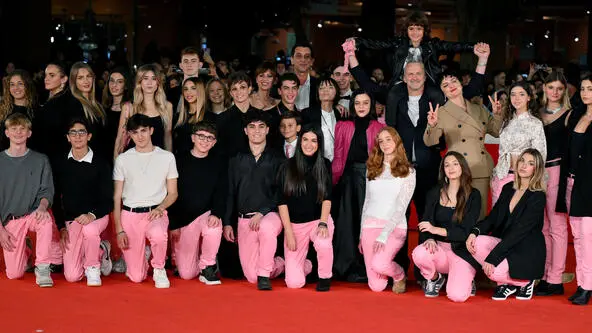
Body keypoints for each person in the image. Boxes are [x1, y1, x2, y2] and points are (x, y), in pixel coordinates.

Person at [424, 44, 502, 218]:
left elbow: (496, 132)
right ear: (442, 91)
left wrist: (497, 114)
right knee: (458, 215)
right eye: (445, 85)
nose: (451, 86)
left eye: (454, 81)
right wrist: (433, 124)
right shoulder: (441, 112)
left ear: (461, 83)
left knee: (479, 216)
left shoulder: (478, 108)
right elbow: (430, 141)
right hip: (456, 171)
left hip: (481, 168)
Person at [466, 148, 546, 301]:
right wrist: (474, 231)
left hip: (526, 250)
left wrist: (493, 257)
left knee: (492, 271)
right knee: (475, 242)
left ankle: (524, 282)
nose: (523, 165)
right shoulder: (508, 188)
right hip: (507, 244)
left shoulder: (538, 196)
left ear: (536, 169)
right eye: (522, 160)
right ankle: (507, 283)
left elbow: (520, 232)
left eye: (530, 163)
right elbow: (492, 218)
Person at [113, 113, 178, 288]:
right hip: (130, 214)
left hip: (155, 212)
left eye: (143, 131)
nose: (139, 136)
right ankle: (142, 256)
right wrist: (119, 230)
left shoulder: (167, 157)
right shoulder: (123, 160)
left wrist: (161, 207)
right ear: (129, 135)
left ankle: (158, 268)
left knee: (158, 234)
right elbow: (117, 196)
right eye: (134, 132)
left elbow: (173, 193)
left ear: (151, 131)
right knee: (136, 277)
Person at [223, 109, 285, 290]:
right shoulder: (236, 159)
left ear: (267, 130)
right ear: (245, 131)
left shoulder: (277, 158)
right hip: (244, 218)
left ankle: (265, 275)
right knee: (251, 276)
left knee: (266, 227)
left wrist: (263, 212)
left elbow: (281, 192)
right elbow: (230, 192)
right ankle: (283, 263)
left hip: (270, 215)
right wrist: (227, 222)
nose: (256, 131)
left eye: (261, 127)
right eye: (252, 127)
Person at [412, 152, 481, 301]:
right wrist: (429, 238)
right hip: (440, 249)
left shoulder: (474, 195)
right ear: (442, 169)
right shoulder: (434, 192)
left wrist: (435, 230)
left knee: (457, 296)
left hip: (461, 251)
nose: (451, 168)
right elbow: (425, 222)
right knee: (419, 253)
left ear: (463, 167)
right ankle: (435, 278)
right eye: (447, 165)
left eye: (455, 164)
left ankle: (467, 278)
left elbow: (465, 232)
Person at [0, 113, 59, 287]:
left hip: (33, 213)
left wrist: (42, 207)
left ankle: (42, 267)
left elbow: (47, 190)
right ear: (7, 133)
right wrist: (1, 230)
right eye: (14, 129)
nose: (18, 132)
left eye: (22, 129)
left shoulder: (40, 160)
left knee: (45, 220)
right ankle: (25, 249)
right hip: (10, 220)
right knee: (14, 274)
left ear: (29, 133)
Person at [332, 89, 385, 281]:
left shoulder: (379, 127)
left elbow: (381, 157)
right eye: (358, 103)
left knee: (368, 223)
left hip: (371, 179)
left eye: (365, 103)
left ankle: (367, 266)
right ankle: (346, 266)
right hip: (347, 179)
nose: (361, 107)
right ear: (352, 105)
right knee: (347, 222)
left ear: (371, 106)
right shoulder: (342, 126)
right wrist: (334, 180)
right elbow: (338, 156)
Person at [55, 119, 113, 286]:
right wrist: (61, 226)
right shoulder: (61, 163)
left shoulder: (101, 163)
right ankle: (101, 249)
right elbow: (56, 198)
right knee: (72, 276)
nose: (78, 136)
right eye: (73, 133)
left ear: (89, 136)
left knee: (89, 231)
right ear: (68, 137)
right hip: (73, 220)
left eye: (82, 132)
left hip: (96, 216)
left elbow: (108, 200)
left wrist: (91, 214)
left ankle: (93, 267)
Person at [349, 10, 474, 86]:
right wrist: (357, 41)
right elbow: (378, 44)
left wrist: (473, 47)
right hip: (402, 83)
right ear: (406, 30)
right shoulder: (398, 43)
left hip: (427, 84)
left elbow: (453, 46)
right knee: (392, 96)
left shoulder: (432, 44)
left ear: (424, 30)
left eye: (419, 29)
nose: (415, 33)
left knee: (437, 96)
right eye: (411, 29)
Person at [277, 125, 334, 291]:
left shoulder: (325, 164)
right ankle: (306, 264)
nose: (309, 144)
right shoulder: (287, 166)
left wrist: (323, 223)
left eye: (314, 141)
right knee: (294, 284)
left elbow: (327, 198)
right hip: (295, 225)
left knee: (323, 243)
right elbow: (282, 202)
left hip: (318, 220)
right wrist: (288, 232)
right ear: (300, 141)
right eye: (305, 140)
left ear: (319, 144)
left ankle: (325, 276)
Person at [359, 127, 415, 292]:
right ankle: (386, 275)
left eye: (388, 139)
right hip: (370, 226)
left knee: (380, 264)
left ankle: (399, 275)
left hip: (393, 228)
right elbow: (367, 201)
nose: (384, 143)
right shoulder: (372, 169)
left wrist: (384, 234)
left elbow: (401, 207)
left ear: (396, 141)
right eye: (381, 141)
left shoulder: (408, 172)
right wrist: (362, 234)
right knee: (377, 286)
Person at [169, 122, 225, 284]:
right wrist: (174, 224)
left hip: (206, 213)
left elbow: (222, 192)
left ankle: (208, 265)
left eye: (209, 138)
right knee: (187, 274)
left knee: (214, 228)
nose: (205, 141)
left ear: (214, 142)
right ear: (193, 138)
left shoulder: (218, 163)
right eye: (201, 136)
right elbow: (171, 194)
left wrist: (217, 213)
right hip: (184, 219)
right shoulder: (178, 161)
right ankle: (196, 262)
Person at [536, 70, 574, 296]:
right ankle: (544, 274)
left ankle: (556, 278)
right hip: (537, 172)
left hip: (558, 170)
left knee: (557, 226)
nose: (555, 92)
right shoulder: (536, 113)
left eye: (560, 88)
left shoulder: (569, 114)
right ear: (544, 89)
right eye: (551, 88)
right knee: (542, 226)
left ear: (564, 91)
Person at [490, 81, 547, 205]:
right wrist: (497, 115)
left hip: (523, 179)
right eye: (513, 94)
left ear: (529, 97)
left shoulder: (535, 123)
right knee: (498, 216)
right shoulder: (506, 120)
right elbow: (493, 133)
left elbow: (540, 155)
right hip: (501, 175)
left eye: (521, 94)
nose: (516, 98)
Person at [565, 75, 592, 305]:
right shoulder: (577, 115)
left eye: (590, 89)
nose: (585, 93)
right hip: (574, 182)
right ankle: (584, 285)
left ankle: (586, 286)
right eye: (583, 89)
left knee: (587, 236)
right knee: (579, 237)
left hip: (590, 184)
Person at [114, 64, 173, 159]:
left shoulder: (167, 107)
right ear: (139, 82)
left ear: (158, 83)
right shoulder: (129, 107)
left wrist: (170, 162)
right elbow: (120, 139)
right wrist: (116, 168)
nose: (149, 82)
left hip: (158, 160)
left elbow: (167, 137)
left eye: (154, 79)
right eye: (145, 78)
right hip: (133, 160)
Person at [300, 77, 343, 161]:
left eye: (330, 87)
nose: (325, 90)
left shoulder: (341, 114)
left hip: (338, 163)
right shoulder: (308, 113)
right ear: (317, 92)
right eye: (321, 88)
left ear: (336, 92)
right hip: (316, 162)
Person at [172, 77, 215, 156]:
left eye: (193, 88)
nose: (188, 92)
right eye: (185, 89)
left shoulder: (209, 117)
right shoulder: (178, 117)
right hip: (179, 162)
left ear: (200, 91)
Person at [0, 69, 37, 150]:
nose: (16, 88)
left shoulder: (37, 112)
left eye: (20, 84)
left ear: (27, 85)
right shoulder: (3, 111)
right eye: (12, 84)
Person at [102, 67, 132, 159]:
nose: (114, 85)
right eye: (112, 81)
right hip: (103, 156)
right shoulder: (103, 108)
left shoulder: (129, 108)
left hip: (122, 156)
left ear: (126, 85)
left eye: (119, 82)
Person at [292, 41, 319, 110]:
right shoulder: (281, 84)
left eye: (307, 56)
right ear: (292, 60)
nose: (303, 60)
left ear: (312, 61)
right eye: (299, 56)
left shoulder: (319, 85)